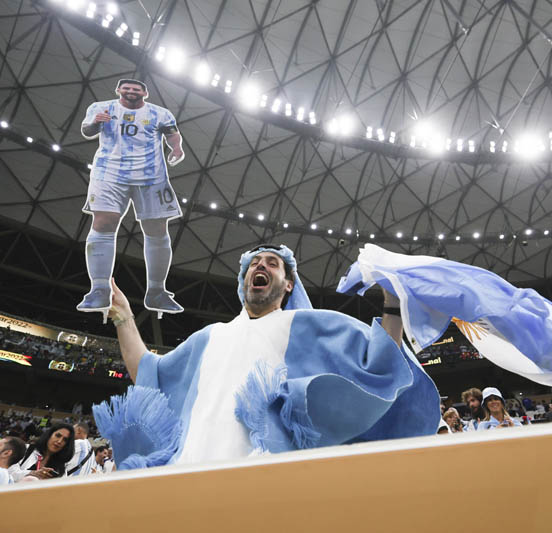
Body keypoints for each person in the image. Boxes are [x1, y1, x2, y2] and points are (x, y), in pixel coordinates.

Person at [96, 244, 440, 469]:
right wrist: (124, 317)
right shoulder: (208, 337)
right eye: (254, 263)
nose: (260, 265)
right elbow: (149, 374)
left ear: (288, 284)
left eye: (272, 264)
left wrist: (392, 305)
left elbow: (379, 367)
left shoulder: (309, 326)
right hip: (189, 473)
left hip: (267, 479)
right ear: (245, 279)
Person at [78, 78, 185, 321]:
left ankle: (157, 292)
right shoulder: (101, 107)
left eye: (136, 88)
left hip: (151, 175)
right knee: (103, 223)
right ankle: (99, 289)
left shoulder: (160, 113)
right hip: (109, 172)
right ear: (118, 90)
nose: (131, 91)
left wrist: (176, 148)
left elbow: (173, 134)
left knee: (157, 228)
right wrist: (95, 123)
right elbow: (87, 130)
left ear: (145, 93)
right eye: (126, 88)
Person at [9, 422, 75, 482]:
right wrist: (32, 473)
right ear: (49, 435)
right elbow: (9, 473)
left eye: (65, 440)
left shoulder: (61, 468)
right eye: (58, 435)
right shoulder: (25, 449)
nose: (59, 441)